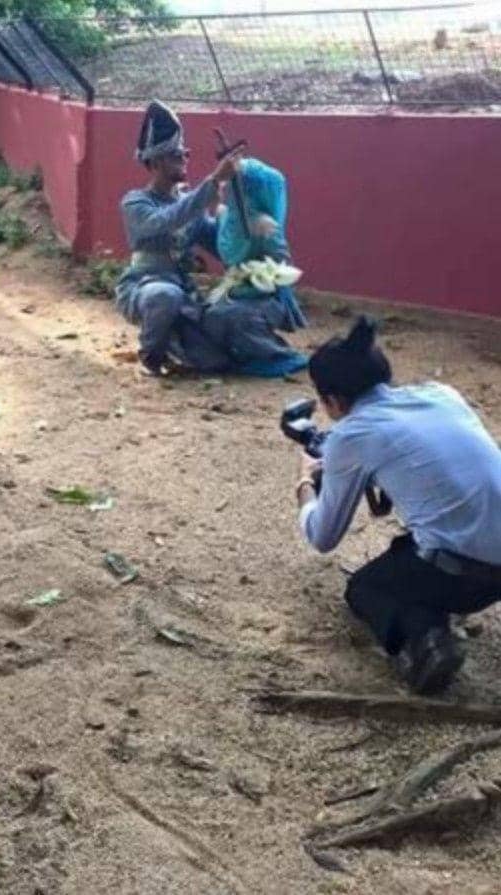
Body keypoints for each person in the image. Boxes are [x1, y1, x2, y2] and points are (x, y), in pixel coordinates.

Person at [296, 316, 501, 694]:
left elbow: (322, 537)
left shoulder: (351, 435)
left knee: (365, 588)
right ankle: (435, 613)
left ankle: (427, 641)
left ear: (333, 400)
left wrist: (306, 482)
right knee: (407, 550)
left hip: (467, 578)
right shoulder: (442, 394)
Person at [115, 99, 307, 377]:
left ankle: (174, 340)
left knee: (213, 360)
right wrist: (212, 183)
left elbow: (222, 244)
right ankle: (150, 355)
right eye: (178, 155)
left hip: (186, 296)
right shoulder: (136, 202)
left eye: (186, 154)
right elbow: (164, 221)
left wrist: (246, 225)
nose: (185, 160)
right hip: (146, 287)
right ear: (156, 161)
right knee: (164, 295)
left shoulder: (189, 203)